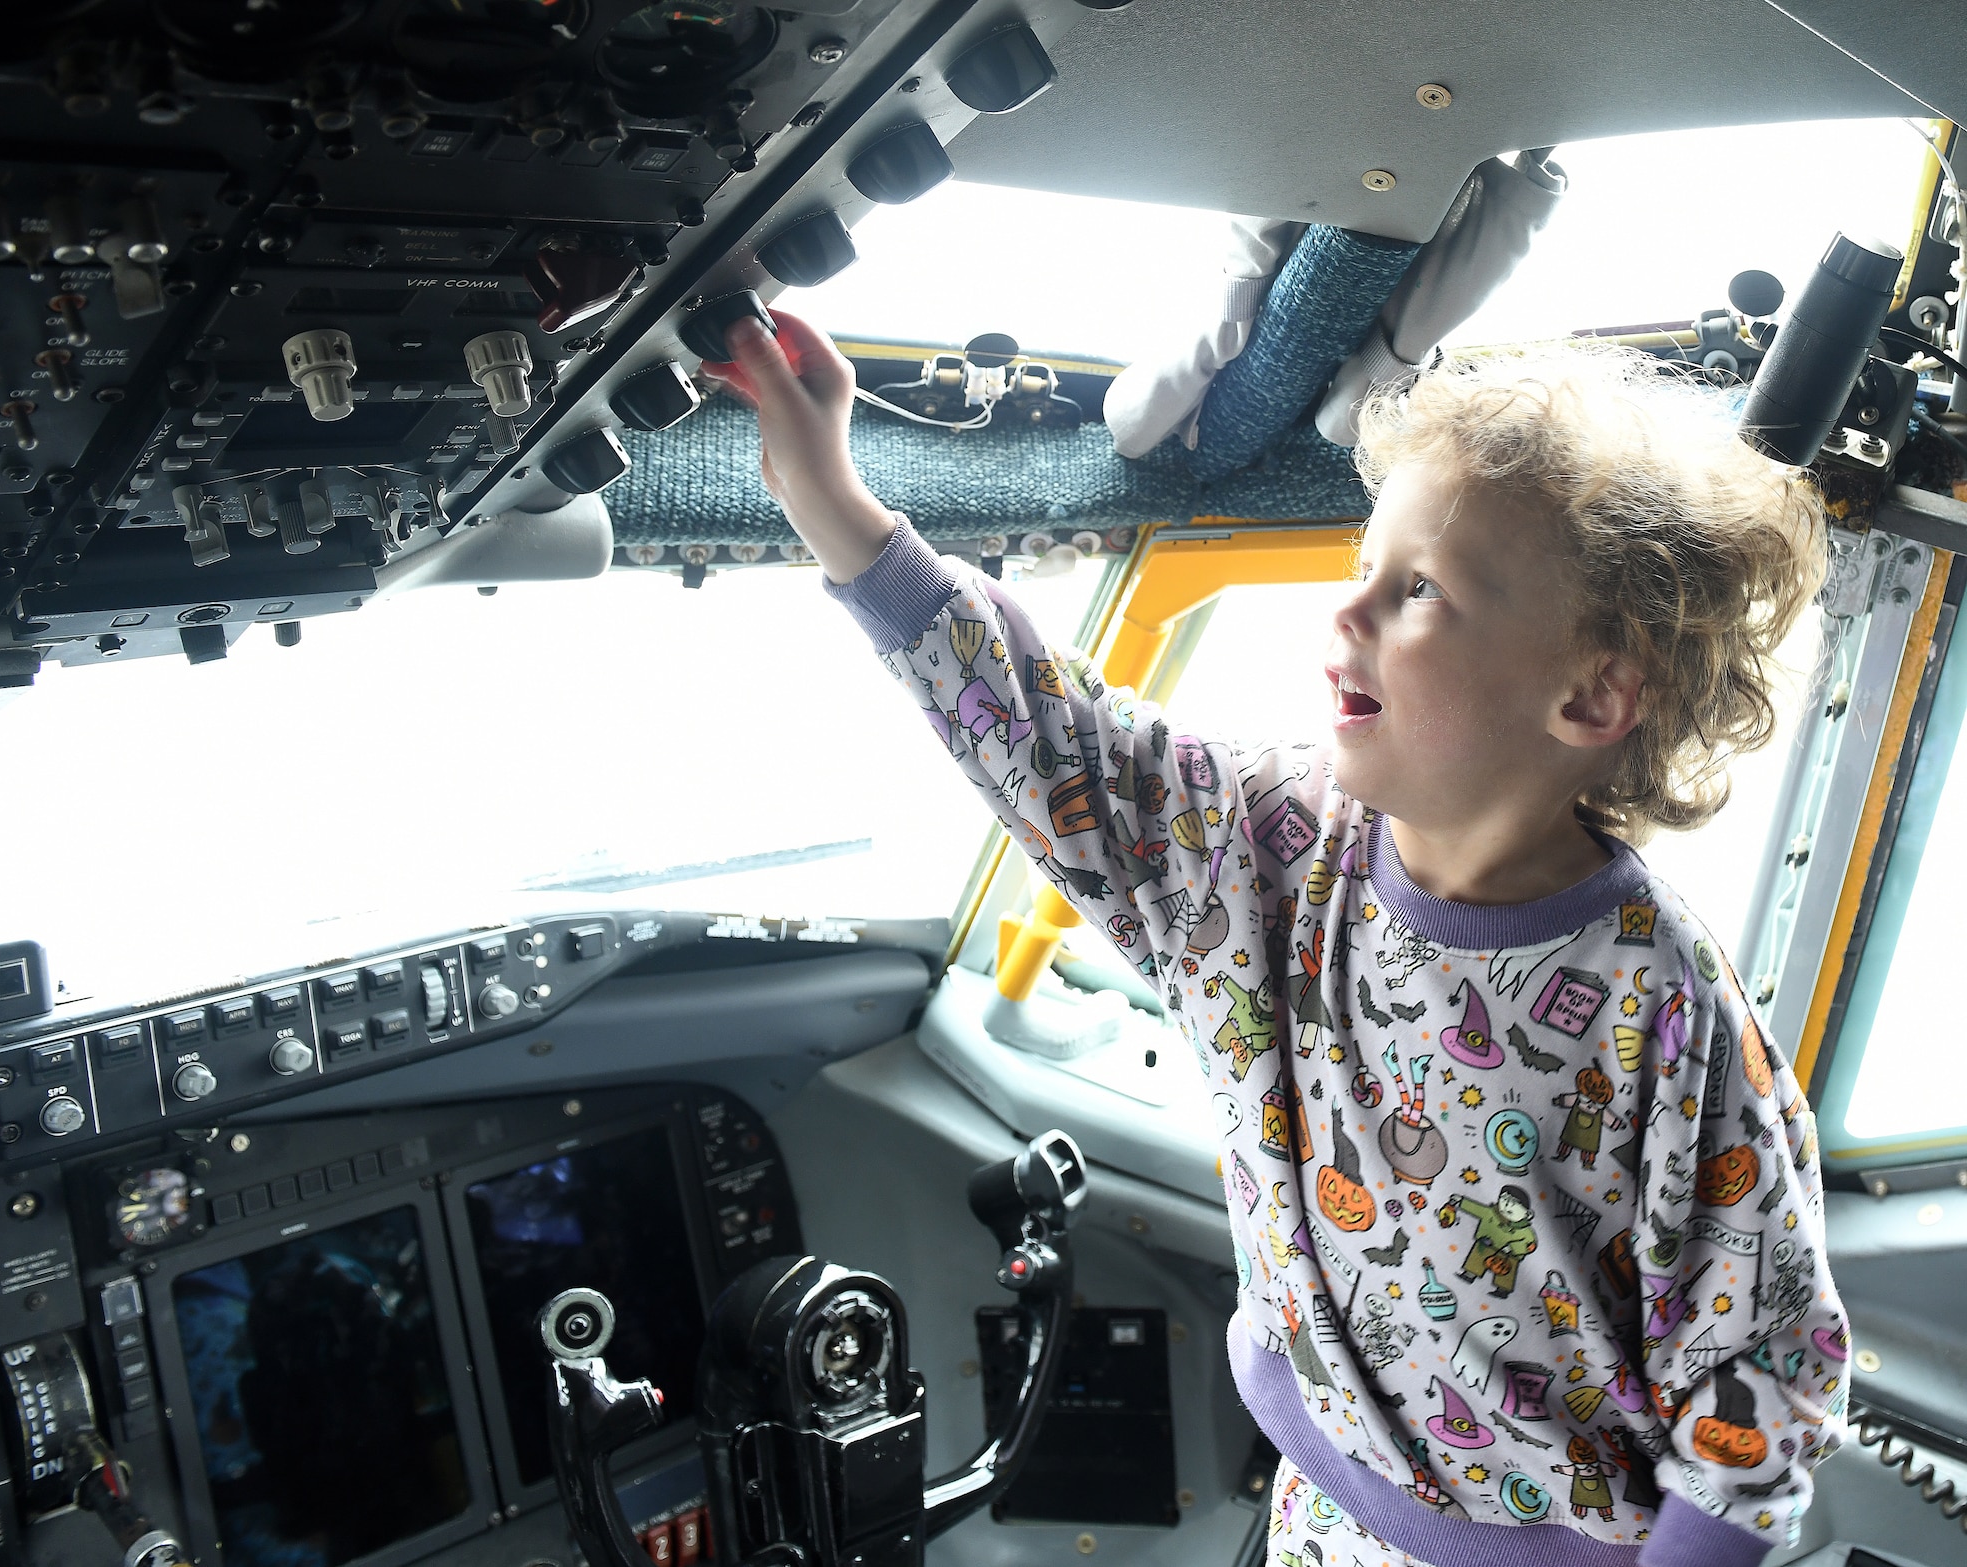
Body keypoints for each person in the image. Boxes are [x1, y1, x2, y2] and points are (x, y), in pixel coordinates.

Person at [705, 310, 1849, 1567]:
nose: (1344, 614)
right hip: (1311, 1505)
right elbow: (1041, 732)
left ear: (1588, 694)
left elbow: (1762, 1367)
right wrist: (825, 491)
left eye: (1416, 590)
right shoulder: (1262, 842)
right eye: (1363, 565)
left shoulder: (1660, 1005)